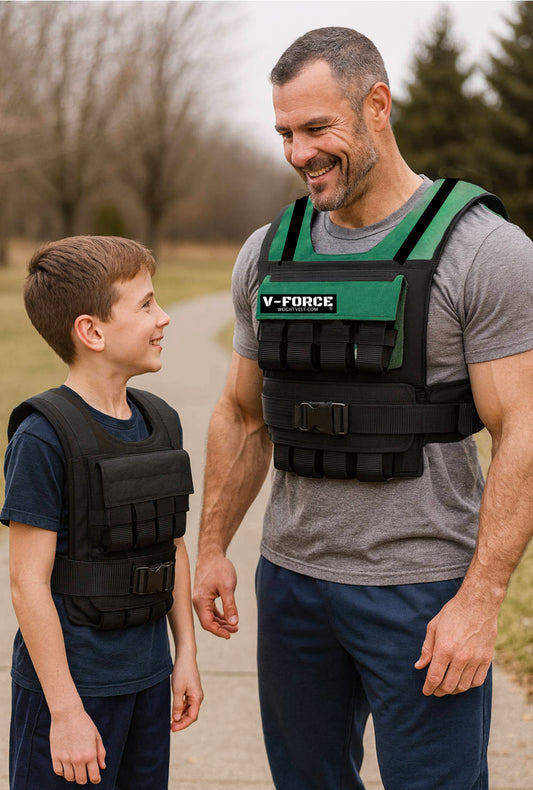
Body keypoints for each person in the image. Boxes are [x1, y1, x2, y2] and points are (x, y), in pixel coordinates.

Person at [192, 26, 533, 790]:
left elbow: (523, 432)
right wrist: (213, 545)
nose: (297, 153)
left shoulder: (483, 252)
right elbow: (243, 416)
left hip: (420, 592)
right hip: (291, 584)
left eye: (317, 129)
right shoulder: (267, 251)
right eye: (283, 132)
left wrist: (479, 602)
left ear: (377, 104)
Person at [2, 236, 203, 789]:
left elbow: (172, 546)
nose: (162, 318)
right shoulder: (44, 438)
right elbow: (26, 584)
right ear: (91, 331)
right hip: (73, 693)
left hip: (147, 682)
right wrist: (64, 712)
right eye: (144, 306)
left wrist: (184, 653)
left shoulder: (160, 421)